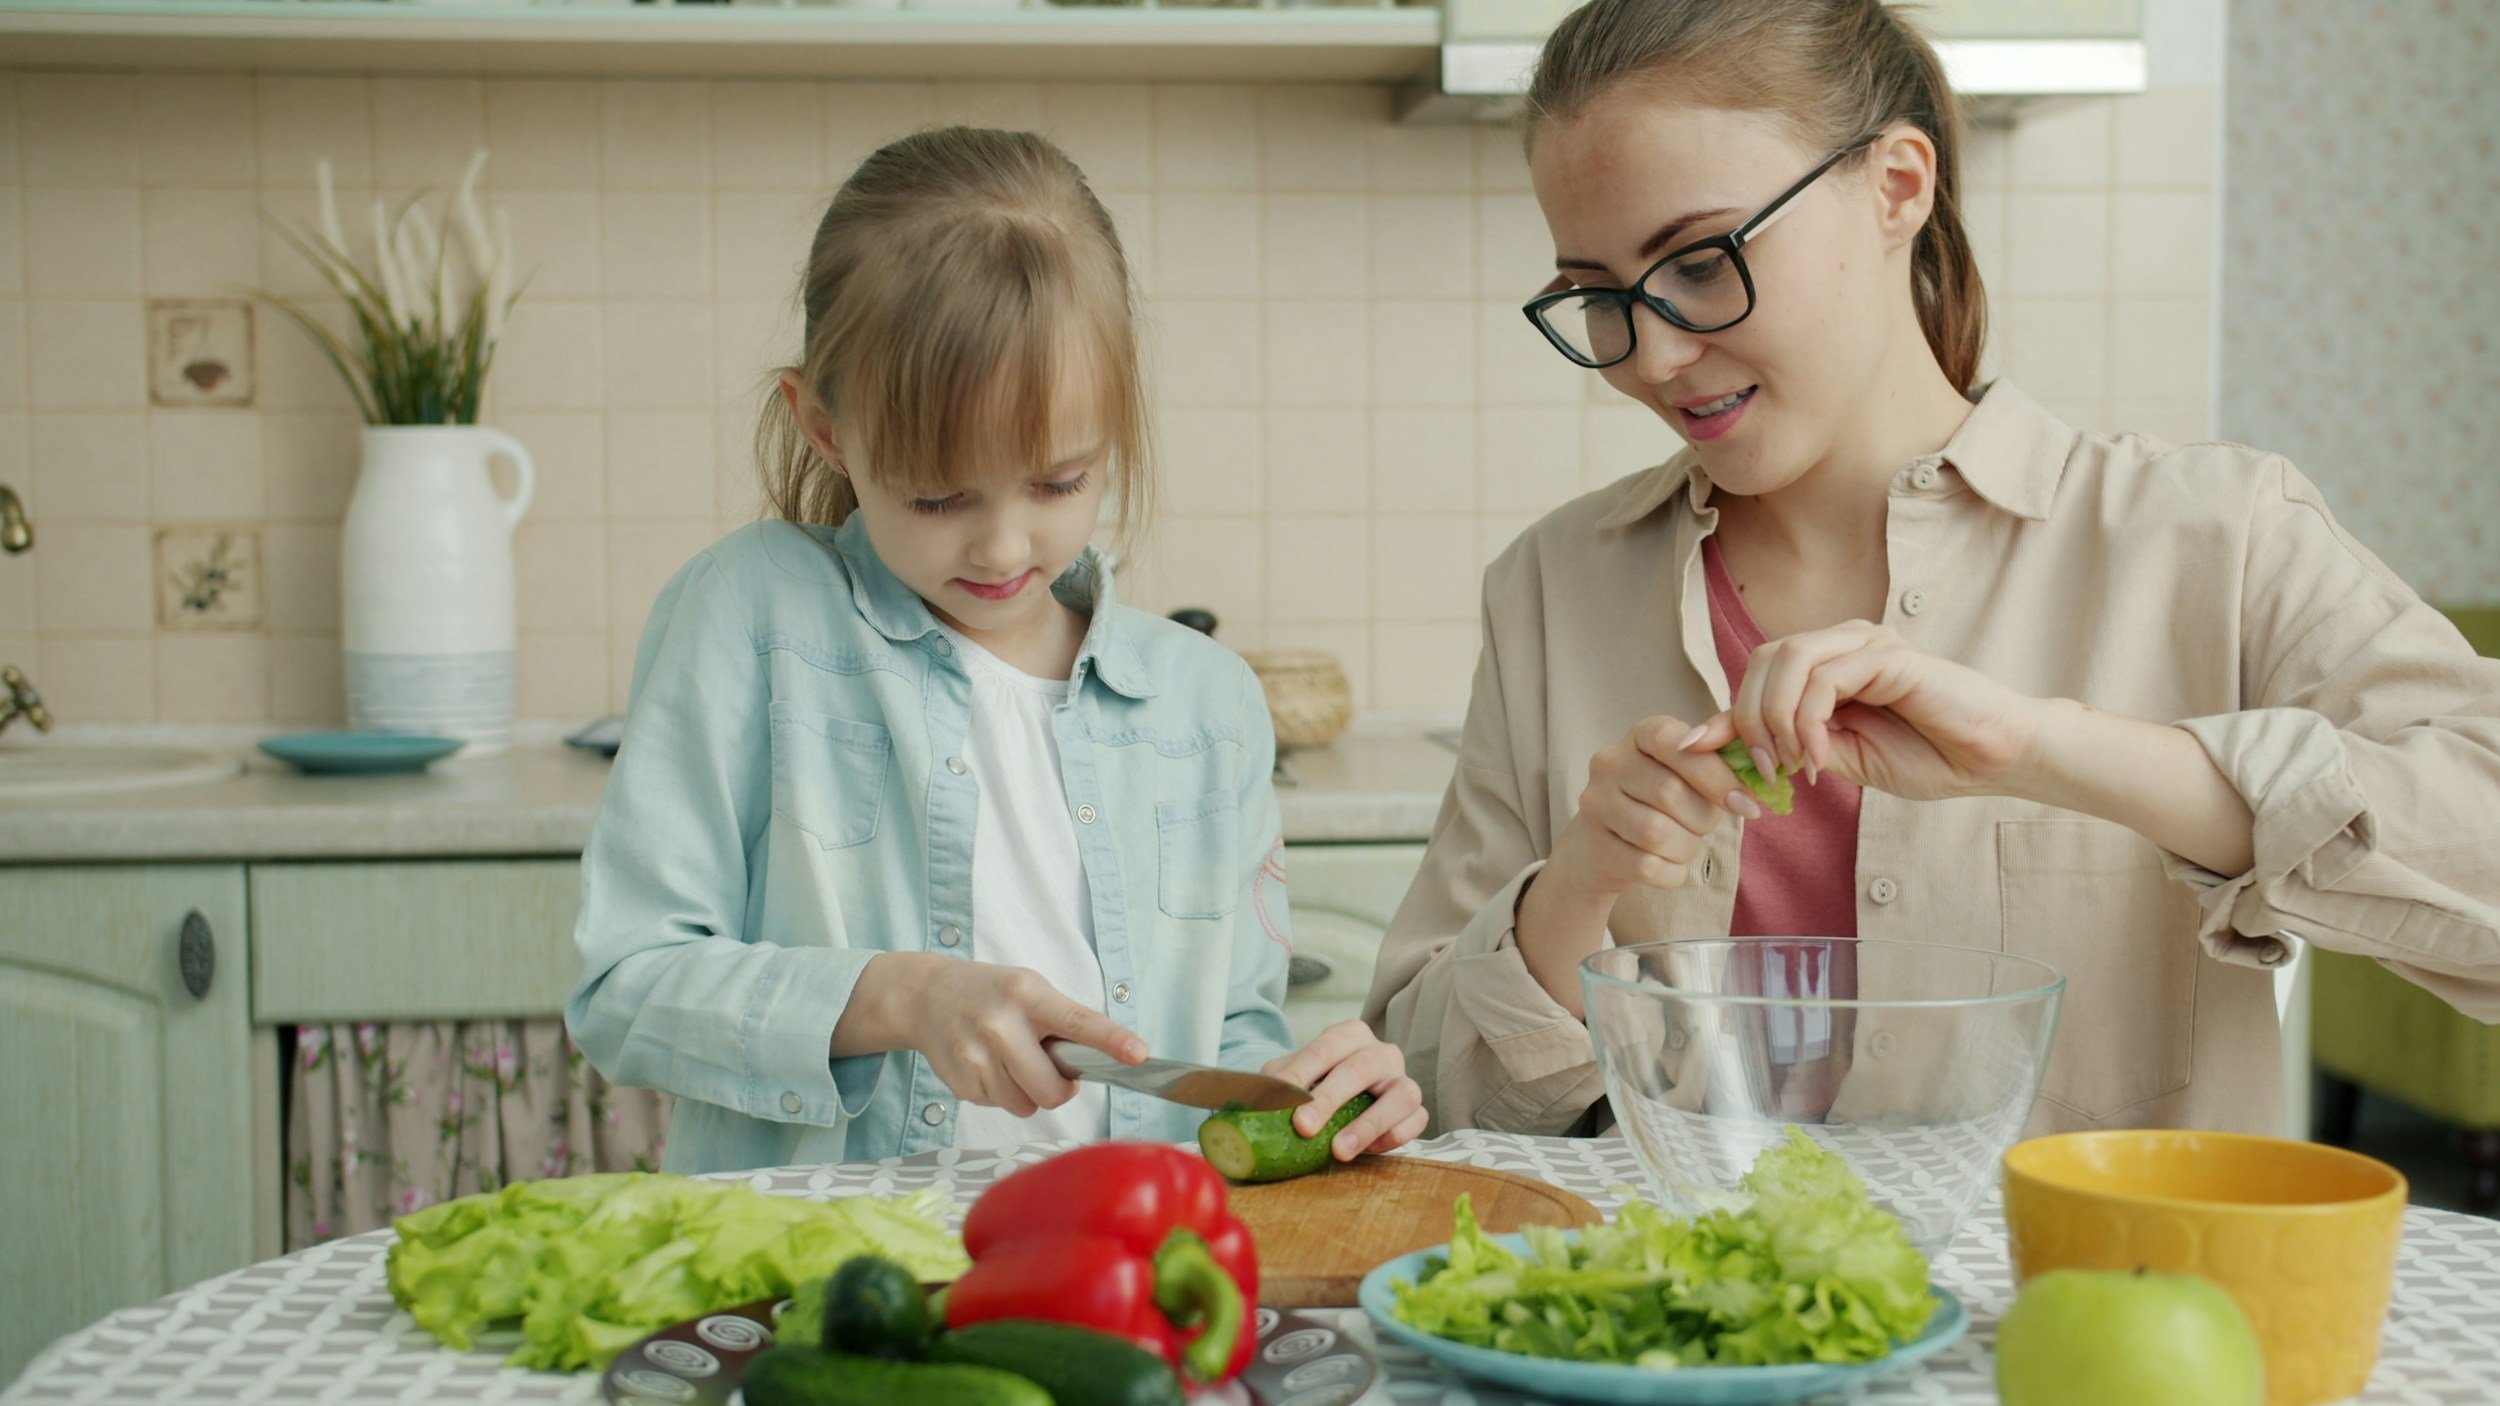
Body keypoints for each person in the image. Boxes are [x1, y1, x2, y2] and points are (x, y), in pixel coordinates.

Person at [1365, 0, 2500, 1139]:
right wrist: (1573, 892)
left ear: (1896, 185)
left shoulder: (2211, 532)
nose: (1653, 356)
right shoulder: (1551, 588)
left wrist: (2044, 747)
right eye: (1599, 296)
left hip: (2093, 1307)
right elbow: (1409, 1084)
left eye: (1701, 262)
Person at [569, 127, 1423, 1173]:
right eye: (937, 494)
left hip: (1124, 1273)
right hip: (832, 1280)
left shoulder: (1204, 703)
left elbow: (1228, 1049)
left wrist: (1306, 1100)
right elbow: (625, 988)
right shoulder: (750, 617)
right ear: (826, 428)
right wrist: (901, 995)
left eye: (1059, 480)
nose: (1004, 544)